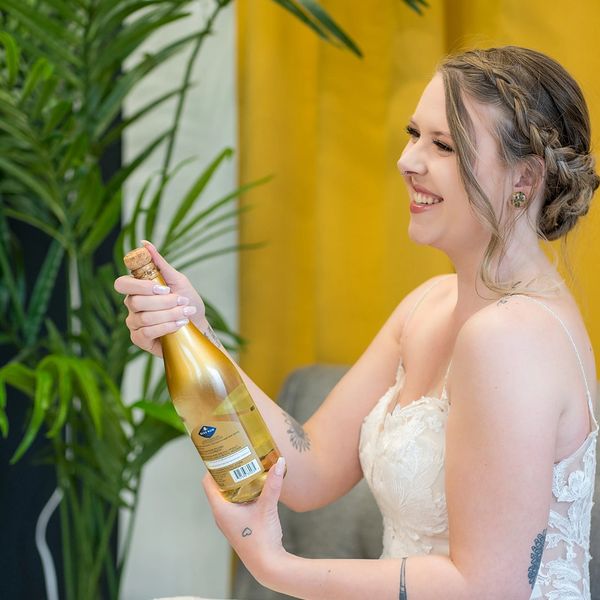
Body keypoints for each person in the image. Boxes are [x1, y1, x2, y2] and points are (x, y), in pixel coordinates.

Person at [114, 46, 600, 599]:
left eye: (443, 145)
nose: (408, 160)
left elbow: (485, 588)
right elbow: (312, 467)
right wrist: (194, 335)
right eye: (414, 134)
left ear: (526, 178)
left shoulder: (514, 337)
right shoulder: (427, 306)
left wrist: (275, 566)